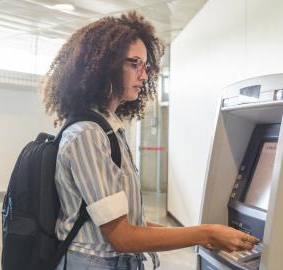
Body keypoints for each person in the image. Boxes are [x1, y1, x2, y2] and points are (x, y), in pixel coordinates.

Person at [41, 11, 259, 270]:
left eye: (145, 66)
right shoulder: (88, 134)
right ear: (104, 67)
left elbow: (132, 223)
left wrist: (197, 232)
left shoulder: (107, 130)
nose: (143, 76)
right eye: (134, 64)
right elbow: (122, 237)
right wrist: (207, 234)